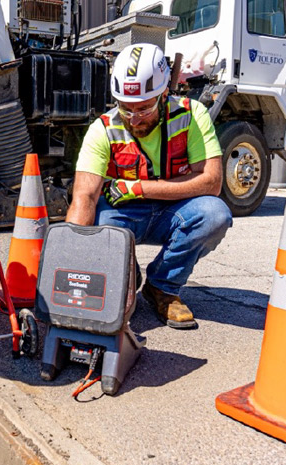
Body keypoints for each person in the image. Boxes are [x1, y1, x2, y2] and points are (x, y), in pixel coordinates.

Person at [66, 43, 232, 329]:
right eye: (126, 108)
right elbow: (84, 196)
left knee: (214, 214)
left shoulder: (192, 116)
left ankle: (163, 288)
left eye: (144, 107)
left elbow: (211, 182)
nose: (134, 118)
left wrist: (138, 188)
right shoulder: (103, 128)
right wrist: (70, 267)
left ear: (164, 93)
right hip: (125, 216)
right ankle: (127, 275)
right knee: (101, 221)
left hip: (175, 211)